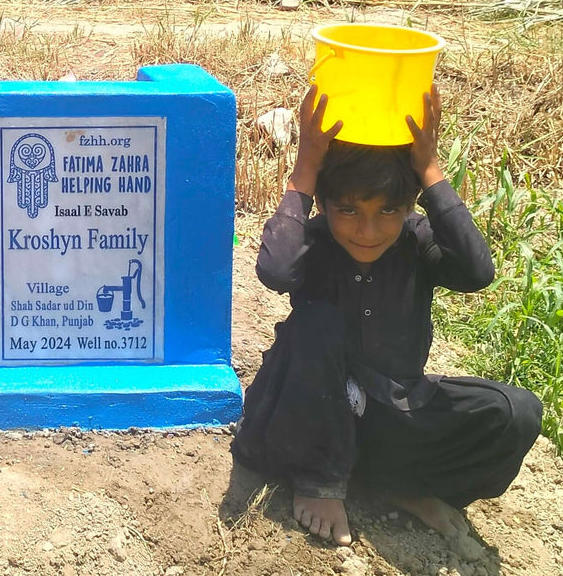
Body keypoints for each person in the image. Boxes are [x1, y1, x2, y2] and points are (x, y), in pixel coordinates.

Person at [231, 84, 543, 557]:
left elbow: (478, 273)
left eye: (388, 210)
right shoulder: (313, 245)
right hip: (308, 419)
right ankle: (319, 481)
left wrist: (430, 168)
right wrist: (306, 168)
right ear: (324, 203)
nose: (368, 230)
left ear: (411, 203)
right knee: (316, 327)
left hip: (388, 418)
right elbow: (274, 270)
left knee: (515, 412)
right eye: (349, 210)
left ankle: (403, 486)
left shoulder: (416, 243)